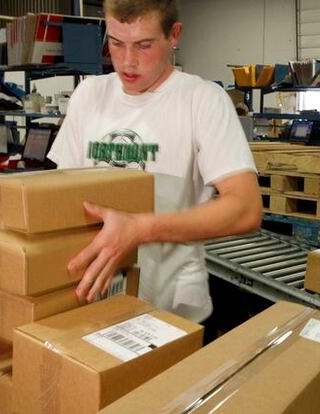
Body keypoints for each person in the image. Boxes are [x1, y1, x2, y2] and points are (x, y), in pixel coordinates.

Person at [47, 0, 262, 322]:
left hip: (173, 309)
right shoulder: (89, 95)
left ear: (173, 35)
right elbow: (59, 193)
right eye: (116, 44)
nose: (127, 62)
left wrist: (140, 228)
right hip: (95, 298)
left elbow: (246, 209)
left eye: (144, 45)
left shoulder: (201, 100)